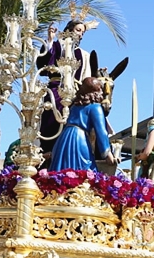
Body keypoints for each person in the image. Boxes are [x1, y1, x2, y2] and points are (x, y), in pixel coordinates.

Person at [37, 20, 95, 163]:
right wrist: (50, 40)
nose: (80, 34)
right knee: (52, 116)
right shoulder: (57, 46)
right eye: (78, 30)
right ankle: (49, 149)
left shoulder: (84, 55)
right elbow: (43, 65)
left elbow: (86, 79)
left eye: (82, 31)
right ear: (68, 30)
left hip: (75, 92)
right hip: (56, 89)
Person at [49, 77, 117, 172]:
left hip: (64, 138)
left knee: (61, 168)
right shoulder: (95, 107)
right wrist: (107, 153)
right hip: (79, 139)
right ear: (96, 91)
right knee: (84, 169)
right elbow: (101, 132)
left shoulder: (74, 107)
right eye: (100, 89)